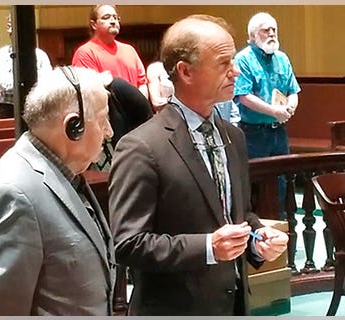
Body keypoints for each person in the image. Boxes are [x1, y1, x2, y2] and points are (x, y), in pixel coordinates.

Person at [109, 14, 288, 316]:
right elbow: (128, 244)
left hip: (232, 305)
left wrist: (257, 238)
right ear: (186, 71)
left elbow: (236, 213)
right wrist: (207, 248)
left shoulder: (233, 136)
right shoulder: (142, 146)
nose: (235, 72)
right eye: (223, 63)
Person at [0, 66, 116, 315]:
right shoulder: (14, 195)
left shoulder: (65, 173)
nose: (109, 131)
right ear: (74, 126)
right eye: (103, 120)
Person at [233, 12, 300, 219]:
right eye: (265, 30)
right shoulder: (243, 59)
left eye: (274, 29)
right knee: (257, 186)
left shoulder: (282, 58)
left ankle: (281, 227)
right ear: (253, 35)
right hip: (253, 133)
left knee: (282, 183)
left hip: (279, 131)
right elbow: (243, 96)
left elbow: (293, 90)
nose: (271, 34)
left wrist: (290, 107)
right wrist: (274, 111)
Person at [71, 5, 148, 98]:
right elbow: (90, 92)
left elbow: (142, 83)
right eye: (106, 17)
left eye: (115, 18)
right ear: (94, 24)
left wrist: (140, 108)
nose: (113, 21)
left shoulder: (130, 50)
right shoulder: (85, 53)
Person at [0, 14, 52, 118]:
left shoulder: (40, 55)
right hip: (10, 108)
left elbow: (48, 83)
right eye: (16, 28)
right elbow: (6, 85)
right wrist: (33, 83)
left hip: (36, 105)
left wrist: (22, 83)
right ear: (9, 29)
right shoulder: (1, 55)